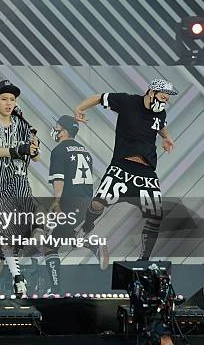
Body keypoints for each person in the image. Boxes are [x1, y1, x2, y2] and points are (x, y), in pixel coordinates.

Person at [74, 79, 177, 261]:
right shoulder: (128, 101)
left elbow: (160, 125)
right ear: (151, 92)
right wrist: (79, 109)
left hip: (145, 172)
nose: (164, 102)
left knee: (156, 215)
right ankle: (87, 226)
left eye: (167, 100)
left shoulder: (160, 114)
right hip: (122, 166)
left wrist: (167, 137)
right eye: (162, 97)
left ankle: (143, 261)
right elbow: (100, 97)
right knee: (98, 203)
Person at [0, 80, 41, 296]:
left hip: (20, 182)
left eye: (12, 99)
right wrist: (19, 149)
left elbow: (37, 157)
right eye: (4, 98)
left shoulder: (22, 123)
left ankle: (2, 271)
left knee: (26, 229)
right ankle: (17, 278)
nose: (8, 103)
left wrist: (33, 149)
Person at [44, 115, 98, 293]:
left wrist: (57, 203)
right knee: (65, 236)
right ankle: (85, 240)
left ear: (64, 131)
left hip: (69, 202)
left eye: (57, 127)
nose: (55, 130)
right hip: (85, 202)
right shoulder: (84, 151)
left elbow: (58, 179)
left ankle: (55, 289)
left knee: (50, 245)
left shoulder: (59, 151)